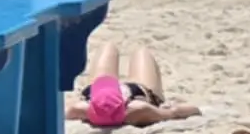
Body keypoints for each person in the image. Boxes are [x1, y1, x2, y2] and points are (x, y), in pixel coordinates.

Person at [66, 43, 200, 128]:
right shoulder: (137, 109)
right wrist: (194, 110)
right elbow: (176, 112)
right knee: (141, 52)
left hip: (101, 87)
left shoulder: (79, 109)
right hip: (135, 91)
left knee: (108, 47)